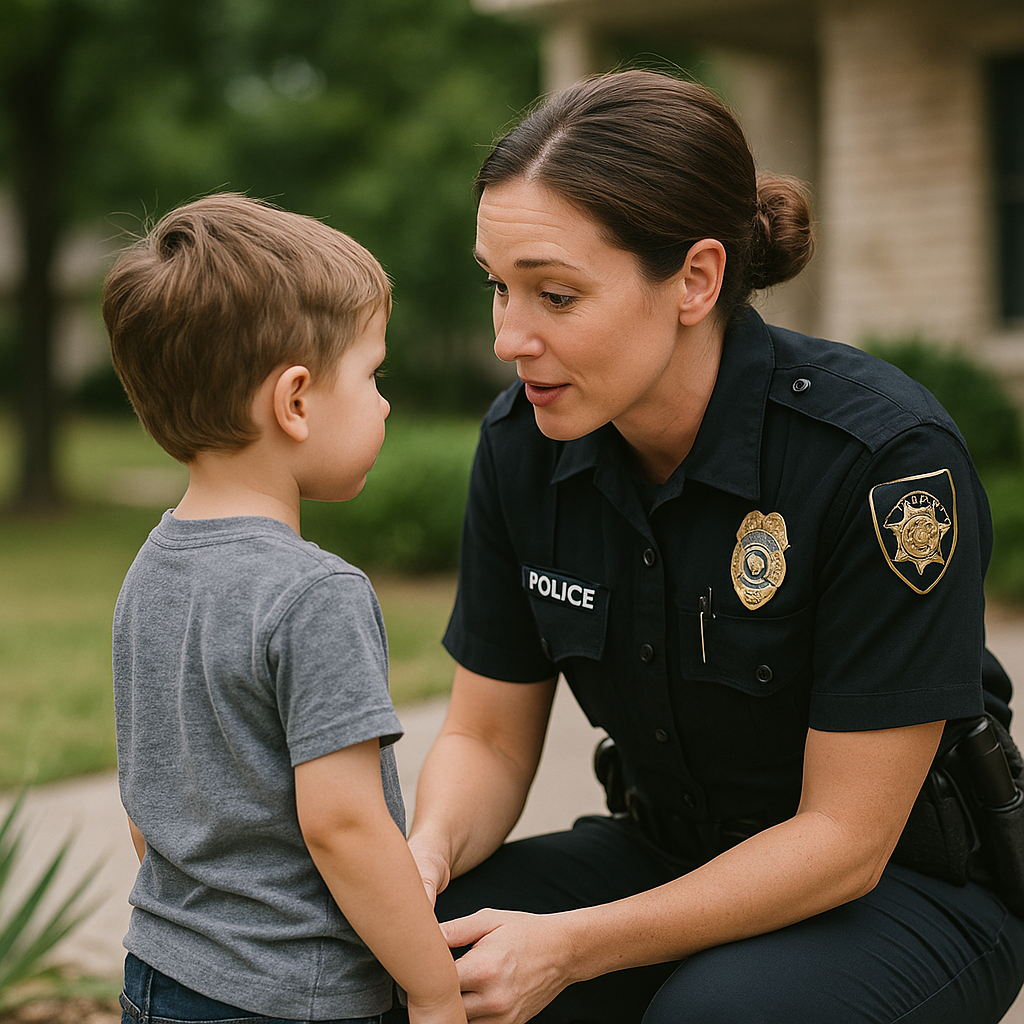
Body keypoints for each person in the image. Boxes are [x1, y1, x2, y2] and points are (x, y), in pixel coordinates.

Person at [396, 71, 1024, 1023]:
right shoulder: (521, 446)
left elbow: (845, 839)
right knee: (398, 950)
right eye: (498, 288)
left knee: (715, 1015)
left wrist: (569, 947)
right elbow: (484, 735)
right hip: (668, 851)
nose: (509, 339)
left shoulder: (882, 462)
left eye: (556, 296)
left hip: (904, 884)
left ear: (695, 279)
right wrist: (423, 857)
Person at [102, 194, 466, 1024]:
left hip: (158, 976)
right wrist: (435, 991)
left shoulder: (150, 569)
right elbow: (344, 825)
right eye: (373, 375)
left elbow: (148, 799)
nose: (381, 403)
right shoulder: (317, 595)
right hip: (291, 1000)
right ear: (295, 401)